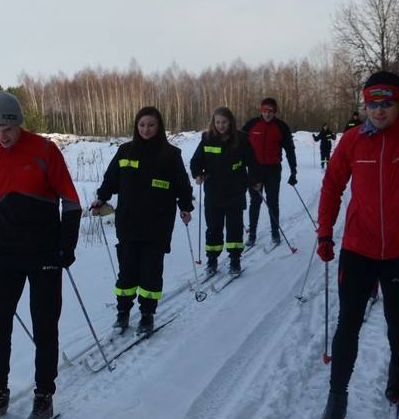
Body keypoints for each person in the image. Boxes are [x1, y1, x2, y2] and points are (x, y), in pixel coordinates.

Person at [316, 71, 399, 419]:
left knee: (398, 320)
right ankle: (336, 398)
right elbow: (332, 186)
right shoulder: (353, 140)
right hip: (359, 247)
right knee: (348, 324)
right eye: (373, 103)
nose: (379, 110)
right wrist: (325, 234)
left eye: (387, 103)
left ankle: (397, 373)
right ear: (364, 104)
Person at [0, 90, 81, 419]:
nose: (1, 137)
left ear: (19, 123)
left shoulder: (45, 151)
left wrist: (67, 245)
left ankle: (43, 397)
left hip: (44, 252)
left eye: (7, 129)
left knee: (45, 324)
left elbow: (71, 201)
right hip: (5, 252)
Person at [91, 106, 193, 335]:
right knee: (126, 271)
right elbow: (110, 180)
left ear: (159, 127)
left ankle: (147, 315)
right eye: (142, 125)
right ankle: (123, 312)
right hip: (128, 222)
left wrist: (186, 207)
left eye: (151, 125)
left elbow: (182, 186)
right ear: (137, 127)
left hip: (158, 224)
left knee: (150, 272)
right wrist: (101, 198)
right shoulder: (125, 151)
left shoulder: (170, 155)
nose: (146, 129)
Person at [189, 106, 253, 276]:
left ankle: (235, 260)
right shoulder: (207, 139)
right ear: (213, 122)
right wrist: (198, 175)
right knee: (213, 228)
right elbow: (195, 162)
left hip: (235, 192)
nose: (221, 125)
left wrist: (254, 180)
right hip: (213, 193)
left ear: (230, 122)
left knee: (234, 228)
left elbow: (252, 162)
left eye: (224, 122)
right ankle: (212, 260)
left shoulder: (241, 139)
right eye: (217, 122)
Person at [240, 97, 297, 247]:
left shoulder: (281, 127)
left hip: (273, 169)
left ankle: (275, 232)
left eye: (270, 111)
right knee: (255, 202)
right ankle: (252, 234)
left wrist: (293, 171)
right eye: (264, 110)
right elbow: (238, 144)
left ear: (275, 112)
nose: (267, 114)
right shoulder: (251, 125)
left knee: (272, 202)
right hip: (254, 170)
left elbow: (290, 150)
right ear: (261, 110)